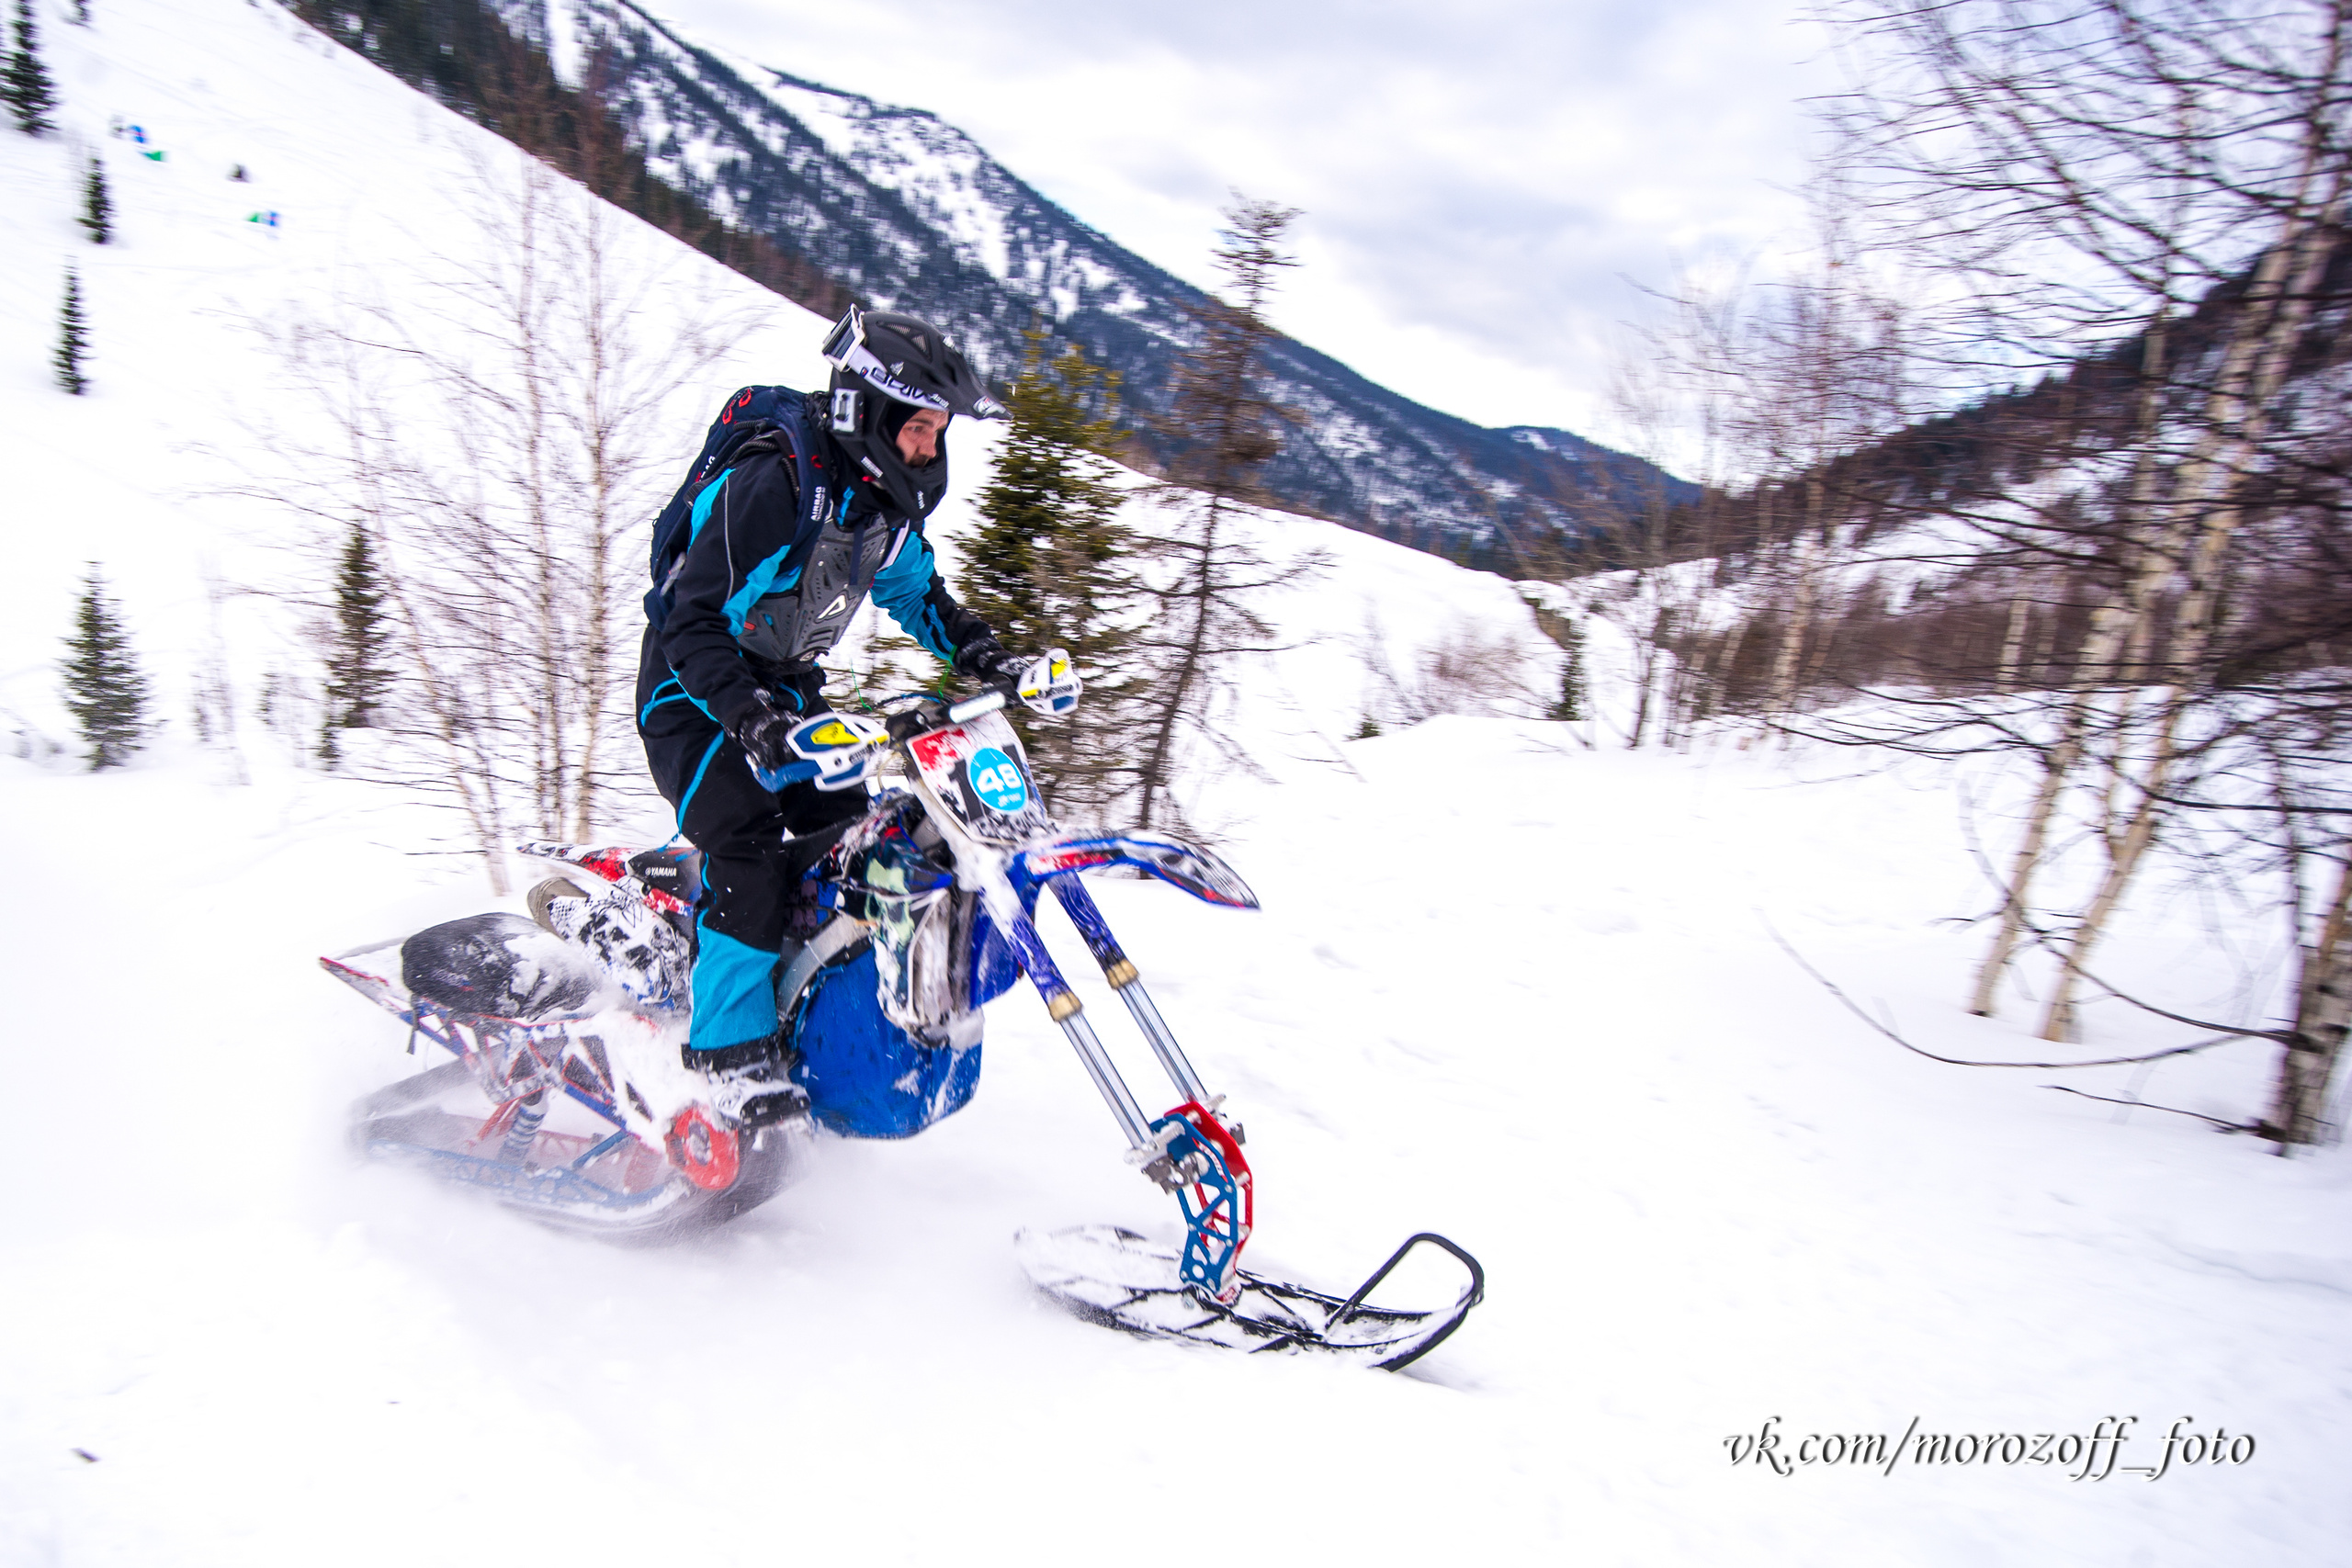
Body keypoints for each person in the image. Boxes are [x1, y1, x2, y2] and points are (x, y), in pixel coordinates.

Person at [632, 307, 1037, 1106]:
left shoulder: (877, 511)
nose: (928, 449)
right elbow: (690, 622)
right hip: (694, 693)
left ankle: (811, 1016)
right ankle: (727, 1062)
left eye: (936, 433)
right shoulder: (775, 487)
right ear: (867, 412)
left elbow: (921, 596)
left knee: (850, 843)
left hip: (785, 693)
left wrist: (986, 653)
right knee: (746, 847)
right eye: (918, 429)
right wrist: (752, 721)